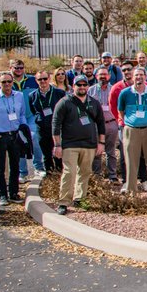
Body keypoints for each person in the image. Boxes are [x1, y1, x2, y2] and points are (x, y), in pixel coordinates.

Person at [51, 75, 106, 214]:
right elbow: (56, 124)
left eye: (84, 85)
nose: (81, 87)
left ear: (88, 86)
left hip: (89, 144)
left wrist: (101, 142)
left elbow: (100, 123)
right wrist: (57, 145)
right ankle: (64, 202)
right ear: (73, 86)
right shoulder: (64, 102)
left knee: (85, 172)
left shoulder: (94, 103)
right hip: (70, 144)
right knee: (69, 172)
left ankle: (79, 199)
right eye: (78, 85)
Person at [0, 73, 28, 206]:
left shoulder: (19, 96)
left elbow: (21, 114)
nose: (7, 84)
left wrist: (22, 129)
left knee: (15, 165)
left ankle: (14, 192)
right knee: (0, 166)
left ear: (12, 82)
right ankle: (2, 194)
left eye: (9, 82)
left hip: (14, 135)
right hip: (0, 136)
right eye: (4, 82)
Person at [117, 67, 147, 198]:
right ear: (132, 77)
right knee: (131, 161)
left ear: (145, 77)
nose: (139, 78)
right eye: (136, 75)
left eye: (141, 75)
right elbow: (121, 111)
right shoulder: (125, 93)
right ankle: (131, 191)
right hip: (131, 130)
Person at [28, 69, 66, 174]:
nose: (43, 81)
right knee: (46, 155)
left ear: (49, 79)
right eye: (40, 79)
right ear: (36, 81)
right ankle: (49, 176)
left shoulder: (59, 93)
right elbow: (33, 110)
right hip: (42, 128)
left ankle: (59, 175)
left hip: (56, 128)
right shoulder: (32, 96)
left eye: (45, 78)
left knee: (58, 153)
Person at [88, 66, 120, 182]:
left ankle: (112, 175)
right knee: (97, 151)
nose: (103, 76)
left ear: (109, 76)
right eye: (100, 74)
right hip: (96, 125)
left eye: (105, 74)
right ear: (96, 76)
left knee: (111, 151)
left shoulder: (114, 89)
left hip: (111, 124)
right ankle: (97, 175)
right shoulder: (90, 90)